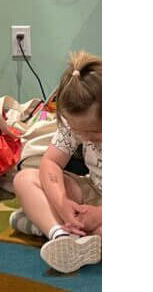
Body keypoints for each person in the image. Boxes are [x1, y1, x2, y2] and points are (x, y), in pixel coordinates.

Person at [11, 52, 102, 273]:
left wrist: (99, 214)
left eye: (94, 132)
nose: (85, 138)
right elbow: (51, 163)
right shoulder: (76, 126)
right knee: (25, 178)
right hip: (92, 190)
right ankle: (60, 235)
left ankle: (72, 232)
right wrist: (62, 203)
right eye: (78, 131)